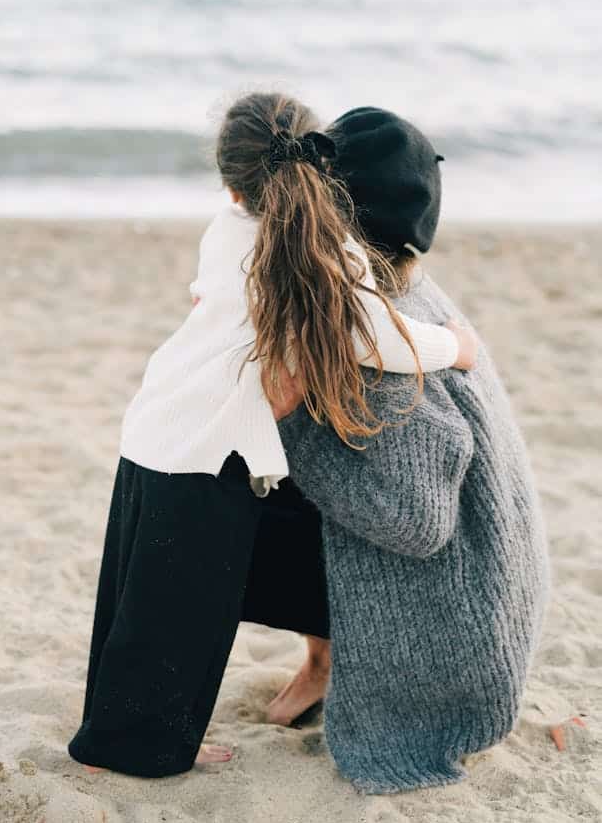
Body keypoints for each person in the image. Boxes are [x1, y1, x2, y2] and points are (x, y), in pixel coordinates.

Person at [67, 92, 478, 778]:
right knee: (187, 617)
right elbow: (375, 338)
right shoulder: (324, 243)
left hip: (156, 420)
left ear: (231, 181)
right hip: (212, 449)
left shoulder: (226, 225)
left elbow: (209, 295)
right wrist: (456, 348)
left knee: (136, 598)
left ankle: (114, 730)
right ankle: (140, 748)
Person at [272, 106, 552, 792]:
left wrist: (288, 430)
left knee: (239, 482)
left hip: (464, 639)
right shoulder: (411, 290)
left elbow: (412, 519)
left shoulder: (386, 348)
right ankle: (324, 661)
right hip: (500, 596)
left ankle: (325, 665)